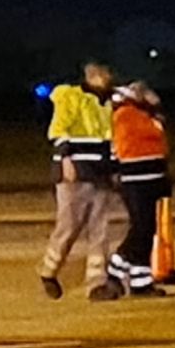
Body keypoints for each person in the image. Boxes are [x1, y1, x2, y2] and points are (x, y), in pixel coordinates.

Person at [37, 61, 117, 299]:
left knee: (100, 229)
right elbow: (59, 131)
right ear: (91, 76)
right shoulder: (71, 98)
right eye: (103, 74)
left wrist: (115, 169)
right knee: (69, 226)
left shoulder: (109, 103)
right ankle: (48, 270)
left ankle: (96, 284)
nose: (107, 78)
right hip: (77, 171)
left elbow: (111, 140)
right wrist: (65, 162)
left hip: (101, 172)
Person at [95, 79, 175, 300]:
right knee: (140, 230)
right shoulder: (126, 114)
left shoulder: (144, 115)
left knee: (146, 230)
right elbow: (149, 138)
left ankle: (141, 282)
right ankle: (114, 272)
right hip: (136, 180)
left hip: (151, 178)